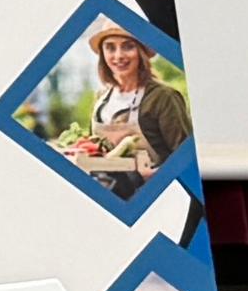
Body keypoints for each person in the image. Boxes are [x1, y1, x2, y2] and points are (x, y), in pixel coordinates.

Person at [61, 21, 191, 193]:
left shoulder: (162, 98)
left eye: (128, 46)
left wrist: (159, 176)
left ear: (141, 53)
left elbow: (188, 156)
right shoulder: (101, 98)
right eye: (110, 47)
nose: (118, 56)